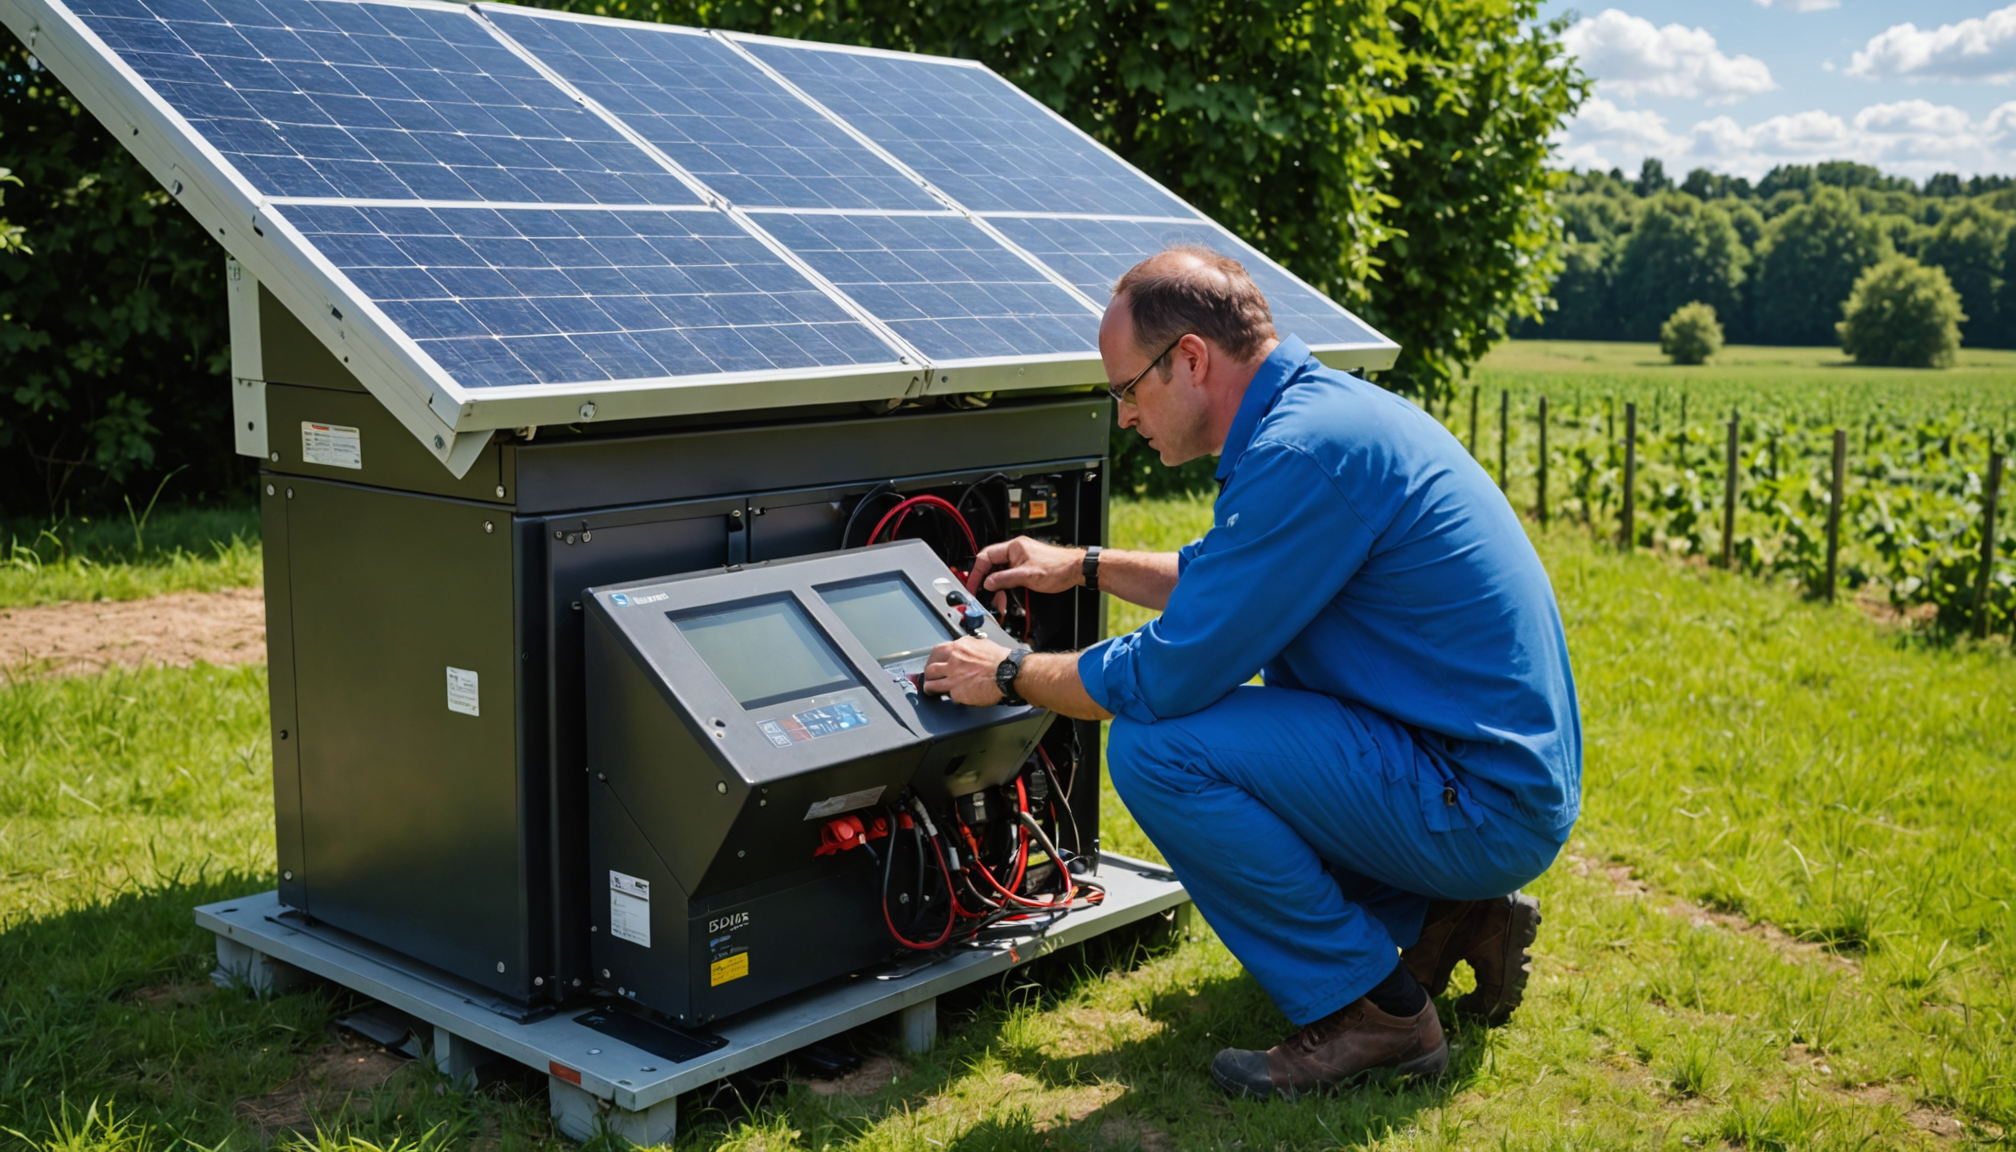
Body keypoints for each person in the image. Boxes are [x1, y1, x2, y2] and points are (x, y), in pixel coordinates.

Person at [921, 246, 1581, 1101]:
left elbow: (1167, 674)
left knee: (1159, 750)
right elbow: (1227, 579)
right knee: (1227, 733)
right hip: (1482, 777)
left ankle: (1376, 1012)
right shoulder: (1325, 420)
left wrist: (1009, 672)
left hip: (1477, 804)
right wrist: (1082, 564)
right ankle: (1447, 918)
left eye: (1128, 389)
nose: (1124, 416)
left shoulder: (1303, 453)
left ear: (1191, 359)